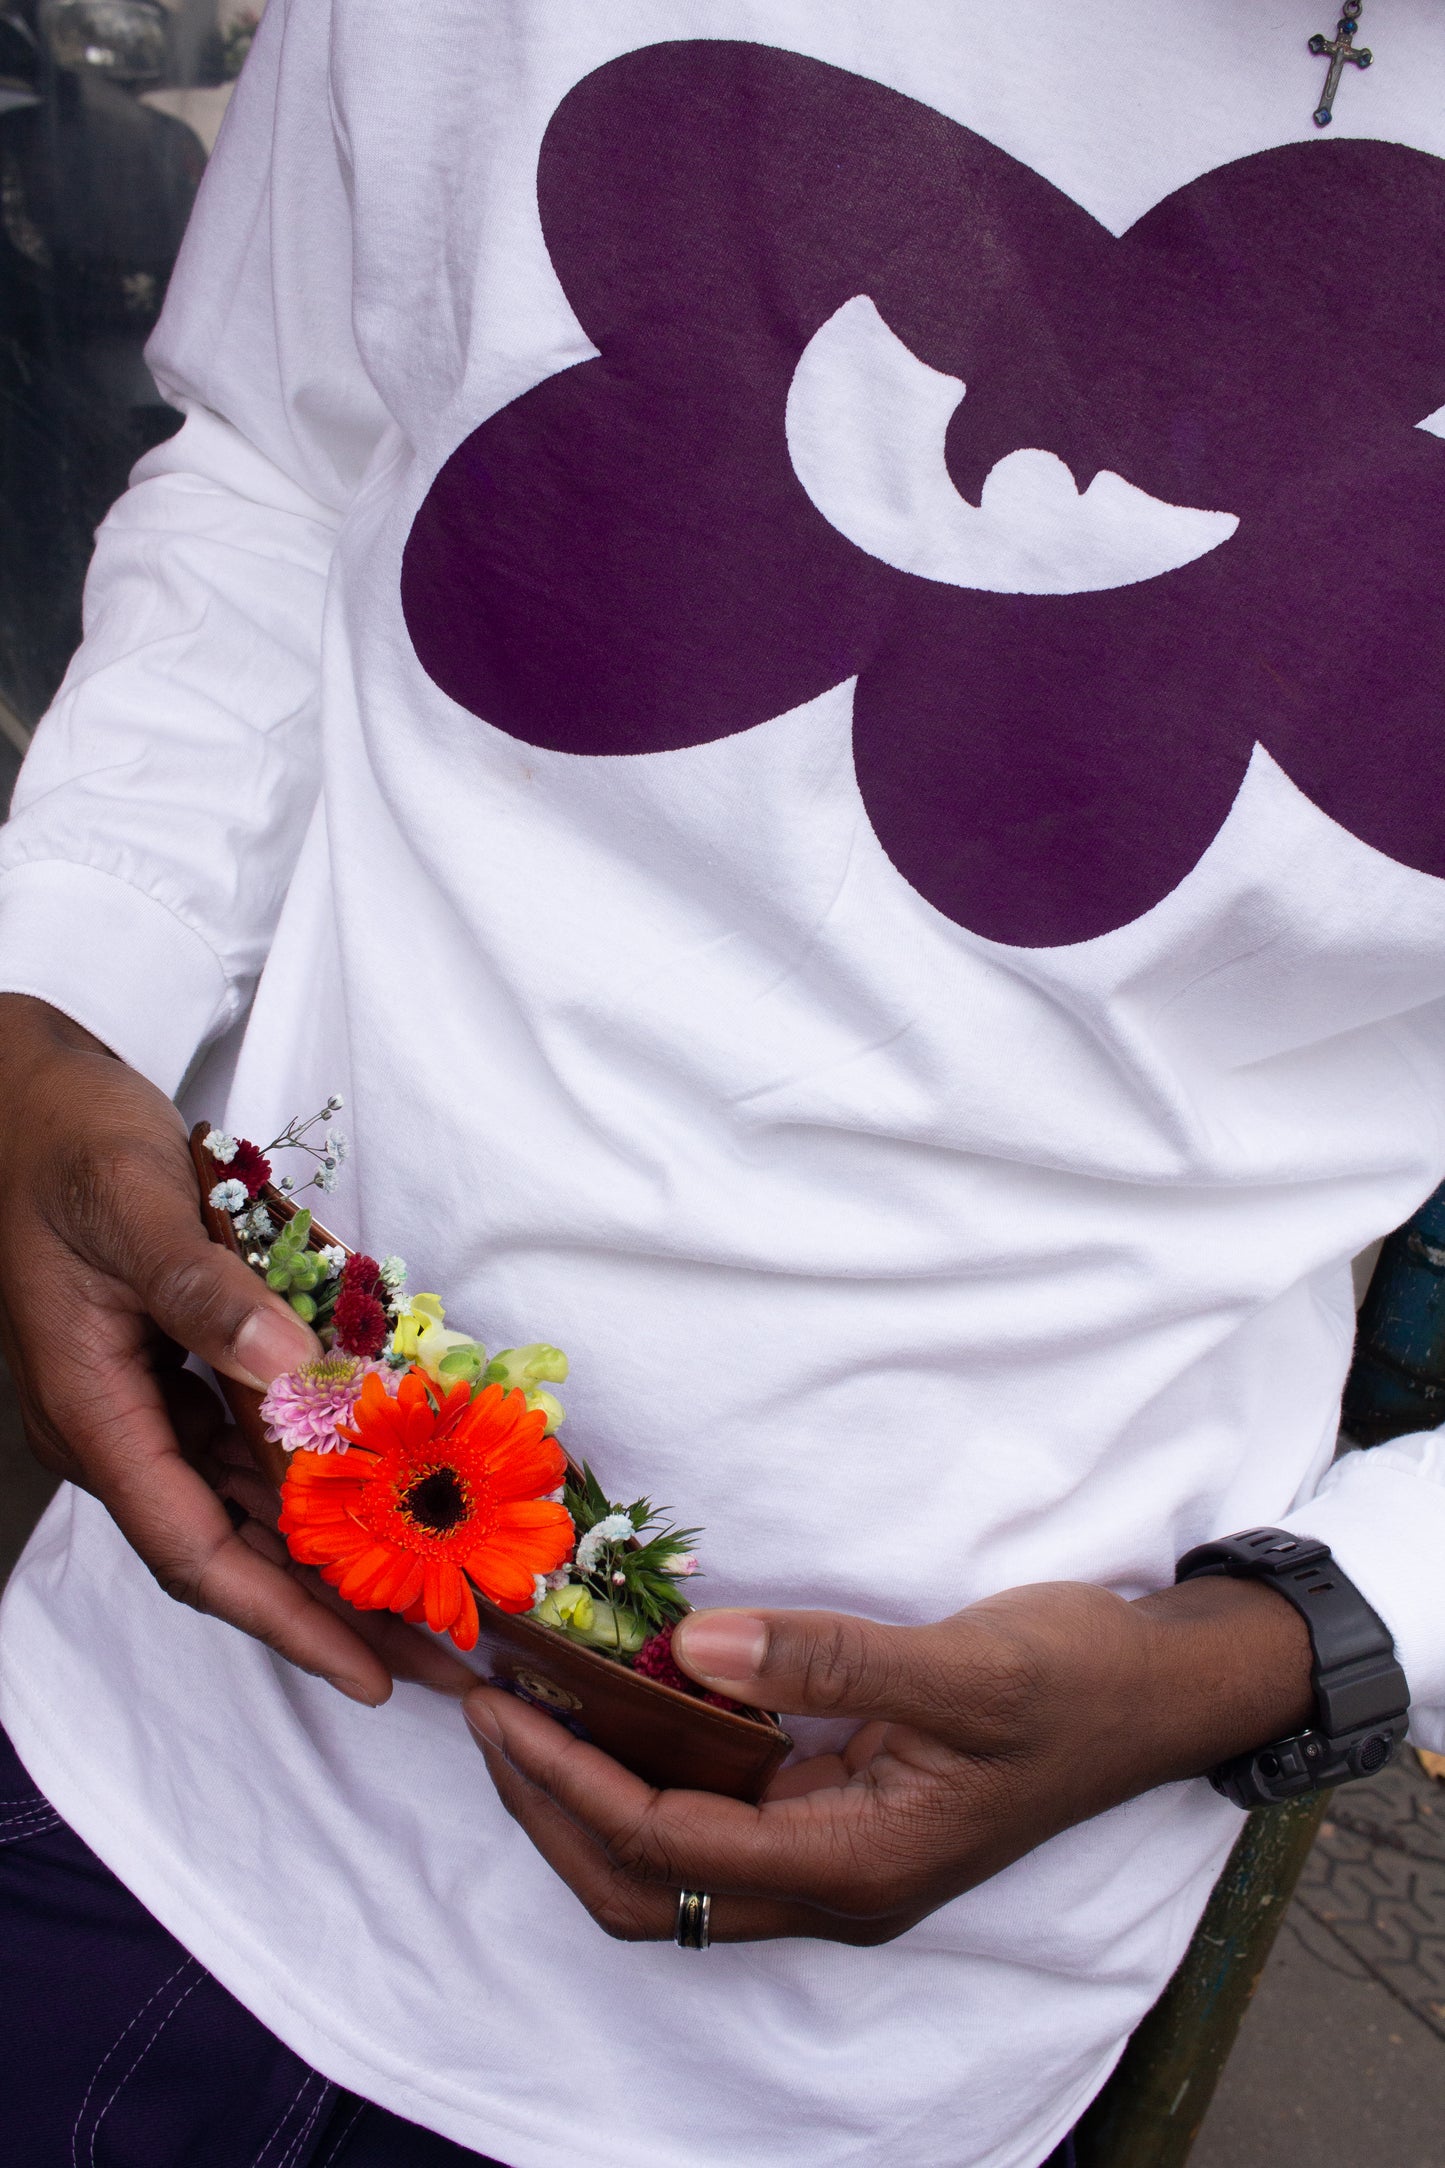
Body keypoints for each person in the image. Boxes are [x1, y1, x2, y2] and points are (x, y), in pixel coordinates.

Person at [1, 2, 1443, 2163]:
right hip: (170, 1745)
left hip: (879, 2045)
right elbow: (293, 459)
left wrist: (1289, 1647)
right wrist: (54, 1001)